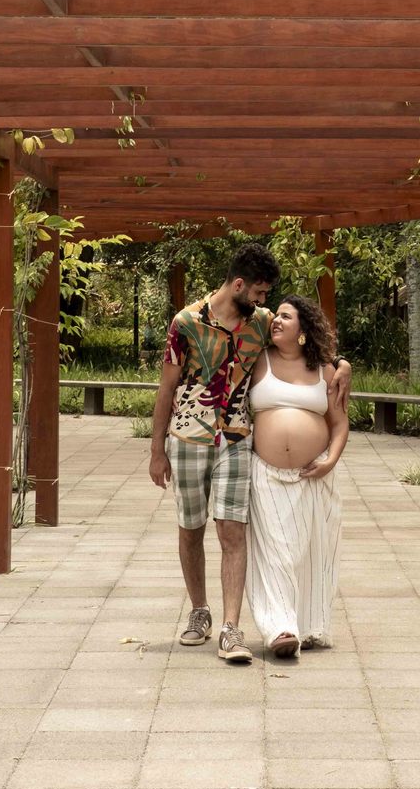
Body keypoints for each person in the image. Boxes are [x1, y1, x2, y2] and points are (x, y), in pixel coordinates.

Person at [149, 243, 349, 665]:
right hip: (187, 438)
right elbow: (166, 388)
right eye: (259, 292)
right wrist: (156, 451)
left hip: (236, 439)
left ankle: (231, 628)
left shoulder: (259, 322)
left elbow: (306, 343)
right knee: (191, 527)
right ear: (239, 285)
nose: (264, 301)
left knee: (232, 531)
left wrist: (342, 362)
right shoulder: (186, 323)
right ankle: (199, 611)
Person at [245, 294, 348, 658]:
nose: (276, 320)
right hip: (267, 473)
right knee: (276, 552)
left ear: (303, 330)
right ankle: (280, 628)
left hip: (313, 475)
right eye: (276, 316)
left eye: (286, 317)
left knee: (310, 553)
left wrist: (331, 461)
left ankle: (309, 625)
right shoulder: (258, 361)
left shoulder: (326, 372)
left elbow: (339, 423)